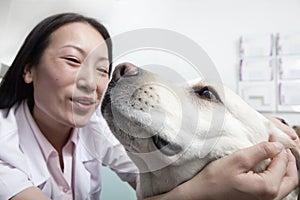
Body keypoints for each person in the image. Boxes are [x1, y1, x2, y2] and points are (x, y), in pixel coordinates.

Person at [0, 12, 298, 200]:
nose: (93, 82)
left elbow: (157, 171)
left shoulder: (94, 127)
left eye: (103, 69)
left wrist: (263, 125)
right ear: (29, 69)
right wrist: (200, 191)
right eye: (73, 61)